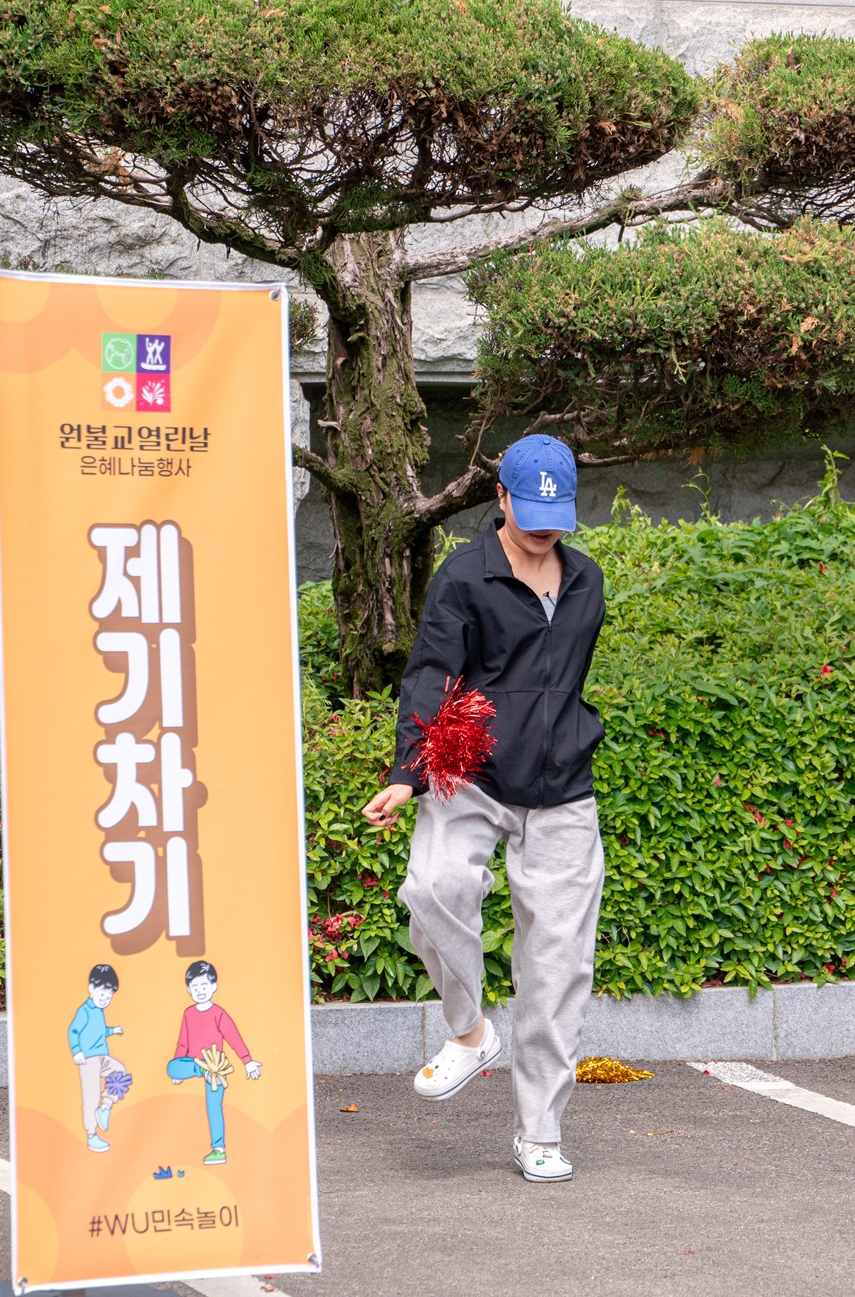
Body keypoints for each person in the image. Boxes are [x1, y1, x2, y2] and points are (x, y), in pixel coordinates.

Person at [362, 434, 608, 1184]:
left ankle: (540, 1131)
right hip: (468, 774)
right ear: (500, 498)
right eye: (528, 509)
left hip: (562, 789)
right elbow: (432, 674)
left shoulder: (586, 581)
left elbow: (557, 685)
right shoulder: (464, 577)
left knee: (557, 967)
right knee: (431, 888)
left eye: (555, 512)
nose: (542, 526)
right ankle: (469, 1032)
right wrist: (408, 770)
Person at [165, 960, 260, 1166]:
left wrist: (247, 1061)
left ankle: (218, 1149)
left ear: (214, 986)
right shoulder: (188, 1013)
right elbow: (183, 1042)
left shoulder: (218, 1013)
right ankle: (200, 1069)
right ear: (189, 989)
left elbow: (233, 1037)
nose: (200, 991)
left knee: (213, 1106)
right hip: (194, 1063)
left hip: (216, 1065)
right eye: (195, 987)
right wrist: (178, 1071)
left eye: (204, 986)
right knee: (171, 1067)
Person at [68, 963, 128, 1153]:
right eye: (102, 993)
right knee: (90, 1095)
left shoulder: (99, 1011)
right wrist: (76, 1051)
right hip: (88, 1060)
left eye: (109, 995)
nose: (105, 999)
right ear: (91, 989)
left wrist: (113, 1030)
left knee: (120, 1071)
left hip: (103, 1056)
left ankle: (106, 1106)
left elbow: (99, 1032)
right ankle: (91, 1134)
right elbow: (74, 1031)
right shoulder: (84, 1010)